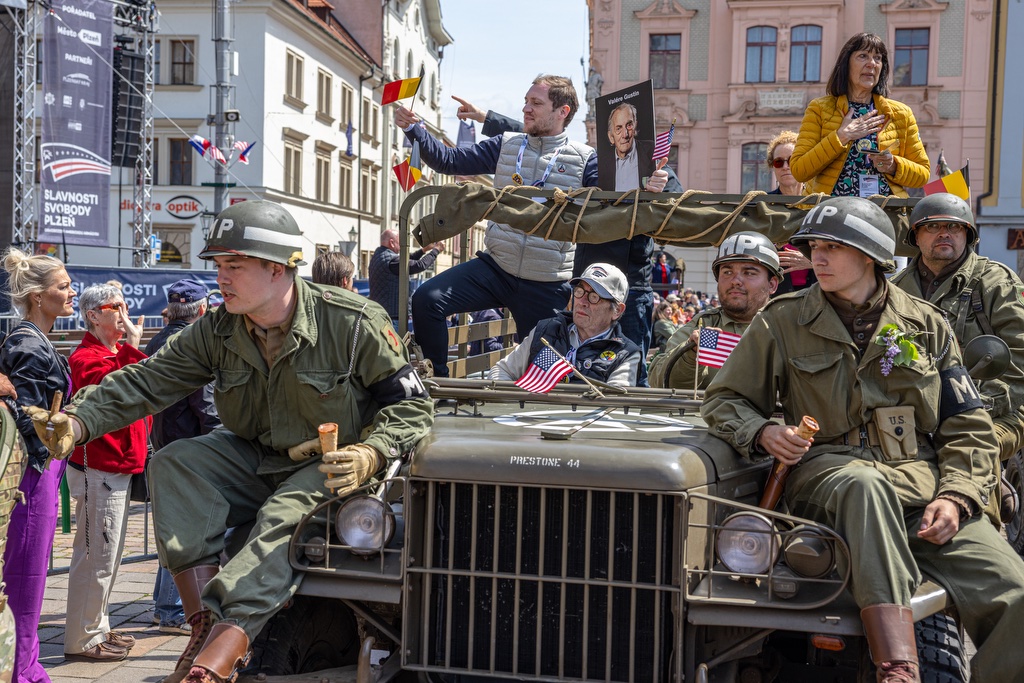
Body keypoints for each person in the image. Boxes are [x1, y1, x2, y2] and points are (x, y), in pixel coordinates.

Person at [31, 201, 434, 683]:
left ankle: (217, 657)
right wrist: (78, 422)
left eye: (234, 265)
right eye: (218, 265)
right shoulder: (219, 329)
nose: (221, 277)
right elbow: (147, 381)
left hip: (332, 466)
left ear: (277, 268)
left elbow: (413, 406)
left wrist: (372, 452)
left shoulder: (351, 322)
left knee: (282, 515)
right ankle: (204, 623)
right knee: (175, 462)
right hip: (255, 456)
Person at [702, 196, 1024, 682]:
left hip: (920, 492)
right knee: (864, 484)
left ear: (871, 255)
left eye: (833, 247)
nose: (818, 258)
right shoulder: (782, 320)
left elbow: (967, 426)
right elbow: (724, 399)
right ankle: (898, 666)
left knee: (1014, 593)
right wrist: (764, 431)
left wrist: (956, 496)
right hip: (829, 479)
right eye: (814, 247)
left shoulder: (927, 324)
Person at [438, 90, 675, 385]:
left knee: (629, 378)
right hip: (585, 282)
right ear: (609, 135)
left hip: (627, 287)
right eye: (617, 127)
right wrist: (487, 118)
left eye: (630, 127)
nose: (624, 133)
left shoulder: (652, 166)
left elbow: (675, 197)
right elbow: (544, 139)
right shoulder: (595, 163)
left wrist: (661, 185)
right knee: (566, 368)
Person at [892, 193, 1024, 512]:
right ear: (915, 236)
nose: (944, 234)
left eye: (954, 227)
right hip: (916, 414)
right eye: (933, 227)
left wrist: (972, 411)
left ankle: (983, 509)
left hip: (994, 408)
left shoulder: (995, 282)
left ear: (967, 235)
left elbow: (1019, 359)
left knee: (974, 449)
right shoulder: (895, 290)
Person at [63, 284, 150, 662]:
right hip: (99, 468)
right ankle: (83, 638)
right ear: (93, 315)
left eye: (125, 305)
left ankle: (96, 626)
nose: (124, 314)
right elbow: (115, 389)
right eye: (117, 307)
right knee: (96, 557)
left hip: (115, 468)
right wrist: (132, 346)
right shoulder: (86, 356)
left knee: (107, 557)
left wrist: (128, 348)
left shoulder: (111, 353)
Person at [0, 248, 75, 683]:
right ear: (37, 296)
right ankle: (20, 670)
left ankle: (23, 663)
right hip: (32, 473)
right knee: (24, 576)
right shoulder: (28, 343)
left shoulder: (32, 339)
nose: (71, 293)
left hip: (41, 470)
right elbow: (28, 417)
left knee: (30, 573)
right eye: (63, 287)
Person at [144, 279, 222, 636]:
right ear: (202, 309)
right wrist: (221, 443)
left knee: (173, 529)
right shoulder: (191, 344)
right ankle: (172, 610)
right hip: (191, 447)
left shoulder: (157, 340)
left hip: (164, 442)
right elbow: (205, 405)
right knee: (186, 533)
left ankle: (166, 606)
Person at [790, 33, 929, 198]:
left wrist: (893, 166)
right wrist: (841, 136)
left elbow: (923, 174)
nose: (871, 64)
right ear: (846, 64)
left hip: (884, 209)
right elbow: (799, 171)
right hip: (832, 209)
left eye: (877, 58)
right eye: (863, 56)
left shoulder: (901, 114)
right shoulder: (819, 109)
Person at [648, 233, 780, 389]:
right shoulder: (703, 324)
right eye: (727, 272)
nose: (735, 281)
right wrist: (691, 355)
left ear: (772, 284)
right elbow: (661, 382)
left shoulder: (787, 327)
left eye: (749, 273)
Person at [490, 263, 640, 387]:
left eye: (594, 297)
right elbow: (501, 371)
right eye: (579, 291)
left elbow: (613, 405)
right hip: (533, 412)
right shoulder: (545, 330)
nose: (582, 302)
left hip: (583, 416)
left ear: (617, 311)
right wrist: (515, 404)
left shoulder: (626, 354)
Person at [766, 130, 816, 296]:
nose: (785, 167)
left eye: (793, 160)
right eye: (779, 162)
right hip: (776, 295)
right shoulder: (762, 205)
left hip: (818, 293)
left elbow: (838, 251)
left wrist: (813, 261)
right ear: (772, 167)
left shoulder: (821, 203)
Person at [368, 229, 443, 327]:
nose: (401, 247)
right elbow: (420, 265)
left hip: (381, 314)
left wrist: (423, 250)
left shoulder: (378, 256)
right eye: (399, 243)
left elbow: (405, 260)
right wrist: (436, 250)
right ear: (392, 243)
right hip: (393, 318)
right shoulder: (392, 260)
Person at [598, 102, 656, 191]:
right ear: (611, 137)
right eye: (618, 128)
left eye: (629, 125)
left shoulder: (651, 150)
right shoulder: (601, 162)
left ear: (635, 127)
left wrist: (662, 182)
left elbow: (671, 182)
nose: (625, 135)